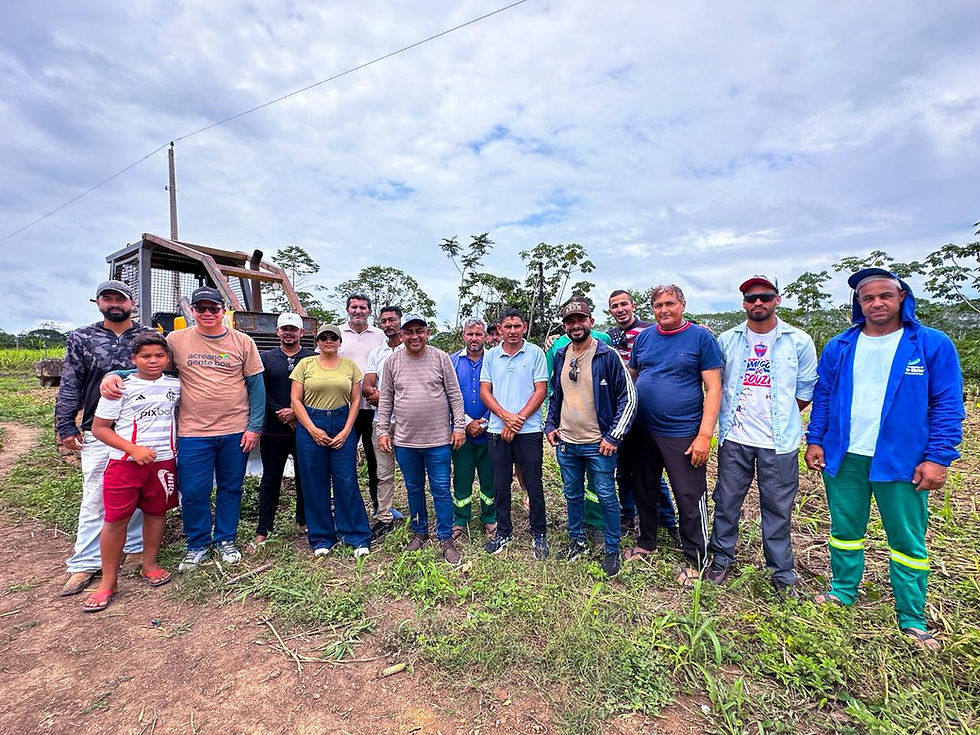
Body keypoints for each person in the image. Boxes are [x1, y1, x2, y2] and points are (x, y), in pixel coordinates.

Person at [805, 268, 964, 650]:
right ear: (858, 304)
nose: (877, 303)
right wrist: (816, 440)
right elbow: (824, 397)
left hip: (902, 460)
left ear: (901, 298)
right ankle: (842, 590)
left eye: (885, 296)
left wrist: (939, 457)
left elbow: (947, 403)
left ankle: (911, 616)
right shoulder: (841, 346)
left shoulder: (929, 344)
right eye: (867, 298)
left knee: (906, 539)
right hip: (846, 456)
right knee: (845, 531)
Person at [101, 286, 266, 571]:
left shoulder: (243, 342)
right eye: (201, 308)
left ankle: (226, 539)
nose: (207, 313)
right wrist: (117, 373)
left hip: (235, 430)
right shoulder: (177, 340)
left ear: (223, 310)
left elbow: (256, 386)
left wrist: (254, 426)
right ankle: (198, 543)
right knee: (193, 491)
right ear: (192, 311)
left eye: (213, 308)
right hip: (193, 432)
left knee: (231, 488)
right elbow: (153, 364)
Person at [706, 276, 817, 599]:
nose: (758, 303)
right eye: (751, 298)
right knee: (726, 502)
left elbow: (807, 388)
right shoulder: (728, 340)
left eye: (764, 297)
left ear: (776, 300)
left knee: (777, 508)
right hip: (735, 437)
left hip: (779, 442)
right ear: (743, 303)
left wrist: (779, 414)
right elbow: (716, 382)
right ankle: (721, 558)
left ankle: (781, 571)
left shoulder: (797, 341)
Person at [55, 280, 149, 596]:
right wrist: (66, 424)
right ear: (98, 303)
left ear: (132, 303)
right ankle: (85, 562)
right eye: (107, 299)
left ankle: (134, 549)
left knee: (138, 492)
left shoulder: (148, 336)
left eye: (120, 299)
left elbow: (163, 374)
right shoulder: (82, 338)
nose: (114, 304)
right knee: (96, 494)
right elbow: (70, 382)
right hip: (99, 427)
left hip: (141, 427)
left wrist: (118, 376)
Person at [626, 284, 723, 586]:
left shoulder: (701, 338)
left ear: (682, 304)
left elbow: (714, 388)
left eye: (670, 303)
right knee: (644, 488)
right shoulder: (644, 339)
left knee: (688, 495)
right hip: (642, 430)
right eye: (658, 305)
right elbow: (632, 379)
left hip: (682, 431)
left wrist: (704, 435)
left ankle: (697, 557)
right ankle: (646, 542)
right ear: (652, 309)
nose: (664, 310)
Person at [85, 332, 180, 611]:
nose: (153, 361)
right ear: (133, 359)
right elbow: (99, 428)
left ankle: (149, 564)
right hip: (124, 464)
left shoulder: (175, 385)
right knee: (115, 520)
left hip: (163, 463)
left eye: (159, 356)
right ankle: (108, 582)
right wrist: (133, 449)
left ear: (168, 359)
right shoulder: (119, 387)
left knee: (156, 513)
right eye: (146, 356)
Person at [545, 299, 636, 578]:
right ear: (565, 327)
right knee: (572, 494)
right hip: (567, 443)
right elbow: (555, 394)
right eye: (570, 321)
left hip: (599, 444)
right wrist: (550, 424)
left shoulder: (607, 356)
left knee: (607, 496)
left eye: (580, 319)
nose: (576, 325)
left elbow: (629, 397)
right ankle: (577, 541)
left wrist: (613, 436)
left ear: (591, 322)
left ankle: (612, 549)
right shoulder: (561, 355)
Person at [375, 314, 467, 564]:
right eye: (409, 332)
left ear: (427, 333)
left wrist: (459, 427)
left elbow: (455, 396)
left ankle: (445, 537)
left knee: (440, 489)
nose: (414, 336)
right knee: (413, 488)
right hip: (406, 441)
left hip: (438, 440)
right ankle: (419, 531)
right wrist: (383, 430)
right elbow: (386, 400)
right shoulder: (392, 362)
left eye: (419, 331)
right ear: (401, 335)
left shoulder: (440, 358)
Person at [606, 289, 681, 546]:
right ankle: (628, 514)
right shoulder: (611, 337)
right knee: (622, 469)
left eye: (623, 304)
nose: (620, 309)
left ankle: (668, 521)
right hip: (620, 411)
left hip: (647, 414)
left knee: (650, 471)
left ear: (633, 305)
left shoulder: (649, 331)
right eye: (614, 306)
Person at [290, 324, 371, 556]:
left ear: (339, 341)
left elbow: (355, 401)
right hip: (311, 422)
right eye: (323, 337)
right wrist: (312, 429)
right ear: (317, 341)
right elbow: (295, 400)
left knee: (346, 480)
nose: (328, 340)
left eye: (333, 337)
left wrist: (346, 431)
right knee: (314, 481)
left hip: (341, 420)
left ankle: (355, 535)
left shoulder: (350, 366)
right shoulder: (305, 365)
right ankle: (321, 537)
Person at [480, 308, 550, 559]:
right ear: (499, 329)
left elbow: (540, 390)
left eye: (517, 326)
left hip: (528, 430)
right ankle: (504, 531)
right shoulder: (491, 356)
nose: (512, 331)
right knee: (500, 484)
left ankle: (539, 532)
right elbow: (485, 391)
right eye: (507, 327)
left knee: (533, 482)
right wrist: (505, 418)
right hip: (498, 430)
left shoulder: (535, 353)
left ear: (524, 327)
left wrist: (516, 421)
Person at [253, 312, 316, 548]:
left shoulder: (312, 358)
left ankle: (304, 519)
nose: (289, 333)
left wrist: (295, 411)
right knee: (270, 479)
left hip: (303, 428)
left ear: (302, 332)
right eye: (284, 329)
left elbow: (315, 390)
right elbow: (260, 390)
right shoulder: (266, 358)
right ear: (277, 331)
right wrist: (282, 411)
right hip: (273, 429)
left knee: (305, 477)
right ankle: (263, 528)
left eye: (294, 329)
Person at [362, 305, 407, 540]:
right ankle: (384, 517)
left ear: (400, 321)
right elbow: (368, 386)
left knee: (412, 471)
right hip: (382, 422)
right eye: (384, 321)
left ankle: (418, 515)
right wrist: (377, 395)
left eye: (392, 320)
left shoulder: (409, 350)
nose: (389, 324)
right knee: (383, 472)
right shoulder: (377, 353)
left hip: (407, 423)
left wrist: (388, 397)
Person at [338, 292, 385, 513]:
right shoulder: (336, 333)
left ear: (369, 311)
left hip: (373, 408)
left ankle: (380, 505)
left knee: (376, 459)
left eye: (363, 307)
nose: (358, 311)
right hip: (345, 408)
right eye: (354, 307)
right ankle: (348, 507)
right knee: (345, 459)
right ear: (347, 309)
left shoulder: (380, 335)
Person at [450, 318, 496, 540]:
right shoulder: (451, 362)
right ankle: (461, 519)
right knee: (461, 477)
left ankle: (489, 518)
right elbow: (448, 397)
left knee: (490, 477)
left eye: (479, 334)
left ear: (486, 336)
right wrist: (467, 422)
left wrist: (484, 422)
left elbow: (501, 393)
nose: (474, 338)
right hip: (462, 432)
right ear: (463, 336)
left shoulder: (495, 360)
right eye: (470, 334)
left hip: (491, 432)